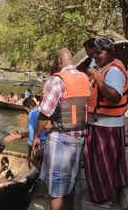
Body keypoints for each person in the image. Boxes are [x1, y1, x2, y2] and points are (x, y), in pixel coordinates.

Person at [32, 48, 91, 210]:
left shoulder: (57, 80)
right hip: (79, 138)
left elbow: (45, 113)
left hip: (61, 138)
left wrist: (37, 136)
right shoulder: (85, 78)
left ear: (58, 61)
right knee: (71, 182)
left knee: (56, 186)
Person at [84, 37, 128, 205]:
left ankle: (103, 197)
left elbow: (115, 97)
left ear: (111, 52)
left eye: (99, 53)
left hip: (107, 128)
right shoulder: (103, 68)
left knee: (103, 165)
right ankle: (105, 194)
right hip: (100, 124)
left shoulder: (115, 70)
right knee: (100, 164)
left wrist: (98, 80)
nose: (96, 56)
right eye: (94, 53)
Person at [22, 96, 47, 169]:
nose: (26, 112)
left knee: (36, 164)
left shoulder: (32, 114)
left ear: (30, 107)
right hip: (48, 143)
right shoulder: (43, 111)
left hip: (39, 144)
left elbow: (31, 137)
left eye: (26, 110)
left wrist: (29, 155)